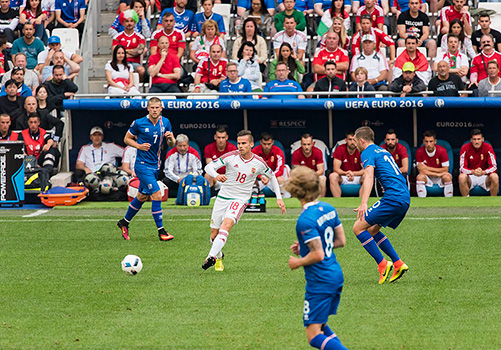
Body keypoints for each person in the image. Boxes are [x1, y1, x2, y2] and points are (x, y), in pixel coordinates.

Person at [201, 130, 286, 271]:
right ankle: (219, 256)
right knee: (213, 236)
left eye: (244, 143)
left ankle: (210, 257)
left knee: (226, 226)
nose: (240, 146)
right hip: (223, 197)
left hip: (240, 199)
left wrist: (279, 198)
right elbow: (208, 166)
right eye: (239, 143)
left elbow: (272, 177)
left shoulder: (259, 163)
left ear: (251, 144)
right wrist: (216, 175)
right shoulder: (230, 157)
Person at [285, 166, 348, 350]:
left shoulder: (305, 220)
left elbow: (318, 254)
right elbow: (340, 241)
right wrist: (304, 248)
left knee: (313, 336)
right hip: (335, 273)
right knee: (320, 325)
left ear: (297, 191)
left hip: (320, 280)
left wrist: (298, 262)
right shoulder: (328, 208)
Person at [352, 126, 410, 284]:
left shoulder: (367, 152)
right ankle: (398, 263)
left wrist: (364, 203)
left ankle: (383, 264)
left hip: (393, 198)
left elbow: (369, 176)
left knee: (357, 228)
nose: (355, 145)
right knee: (371, 230)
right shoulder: (382, 151)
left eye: (356, 141)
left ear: (362, 140)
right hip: (404, 198)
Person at [117, 97, 176, 241]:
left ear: (161, 108)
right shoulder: (139, 123)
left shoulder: (165, 122)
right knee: (157, 194)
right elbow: (126, 139)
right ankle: (161, 232)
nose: (155, 110)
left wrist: (170, 138)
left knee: (142, 197)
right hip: (142, 165)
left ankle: (124, 222)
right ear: (148, 109)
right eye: (152, 108)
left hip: (155, 165)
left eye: (157, 108)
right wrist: (139, 146)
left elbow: (172, 144)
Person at [18, 112, 60, 190]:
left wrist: (47, 145)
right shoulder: (22, 134)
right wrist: (32, 162)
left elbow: (50, 140)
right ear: (28, 123)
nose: (33, 125)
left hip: (40, 161)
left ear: (39, 123)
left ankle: (46, 171)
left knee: (51, 149)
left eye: (35, 122)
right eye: (31, 122)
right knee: (20, 153)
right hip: (28, 161)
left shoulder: (43, 132)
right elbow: (19, 149)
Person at [75, 126, 125, 190]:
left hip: (108, 176)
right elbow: (78, 164)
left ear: (102, 137)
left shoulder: (111, 146)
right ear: (91, 137)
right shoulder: (85, 148)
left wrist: (123, 166)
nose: (97, 137)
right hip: (92, 176)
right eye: (94, 135)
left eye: (99, 135)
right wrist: (85, 169)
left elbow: (127, 153)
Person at [459, 129, 498, 197]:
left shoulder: (488, 147)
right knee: (462, 177)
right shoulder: (465, 148)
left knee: (495, 176)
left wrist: (483, 172)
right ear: (471, 140)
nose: (476, 142)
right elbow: (462, 168)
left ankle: (493, 201)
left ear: (482, 139)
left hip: (484, 176)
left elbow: (494, 166)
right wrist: (473, 171)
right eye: (474, 139)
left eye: (478, 139)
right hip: (470, 176)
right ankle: (466, 201)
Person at [162, 133, 203, 198]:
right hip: (176, 181)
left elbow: (198, 170)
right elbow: (167, 171)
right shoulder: (171, 153)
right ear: (176, 145)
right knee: (165, 181)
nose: (182, 148)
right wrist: (178, 179)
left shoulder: (194, 152)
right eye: (180, 146)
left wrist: (189, 178)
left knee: (200, 179)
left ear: (188, 145)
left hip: (190, 180)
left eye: (184, 145)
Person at [415, 130, 453, 197]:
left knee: (448, 176)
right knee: (419, 177)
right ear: (423, 142)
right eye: (426, 142)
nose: (429, 144)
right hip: (427, 177)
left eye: (431, 141)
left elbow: (445, 169)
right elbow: (421, 171)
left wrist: (427, 168)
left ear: (435, 141)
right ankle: (421, 201)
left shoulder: (442, 151)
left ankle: (449, 201)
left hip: (440, 178)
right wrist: (437, 173)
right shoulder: (419, 151)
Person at [112, 10, 146, 82]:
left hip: (134, 63)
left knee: (141, 70)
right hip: (120, 62)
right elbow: (115, 53)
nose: (129, 23)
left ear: (135, 22)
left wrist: (123, 52)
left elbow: (139, 51)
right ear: (123, 23)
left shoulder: (140, 37)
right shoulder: (117, 37)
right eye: (127, 21)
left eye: (131, 21)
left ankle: (138, 87)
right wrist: (132, 51)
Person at [330, 131, 364, 197]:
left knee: (367, 176)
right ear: (346, 140)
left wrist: (353, 173)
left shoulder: (361, 150)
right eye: (350, 139)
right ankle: (338, 202)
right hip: (343, 176)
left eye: (354, 140)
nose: (352, 142)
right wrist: (346, 173)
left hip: (357, 176)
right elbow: (336, 169)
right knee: (332, 176)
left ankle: (362, 203)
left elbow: (365, 170)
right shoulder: (340, 149)